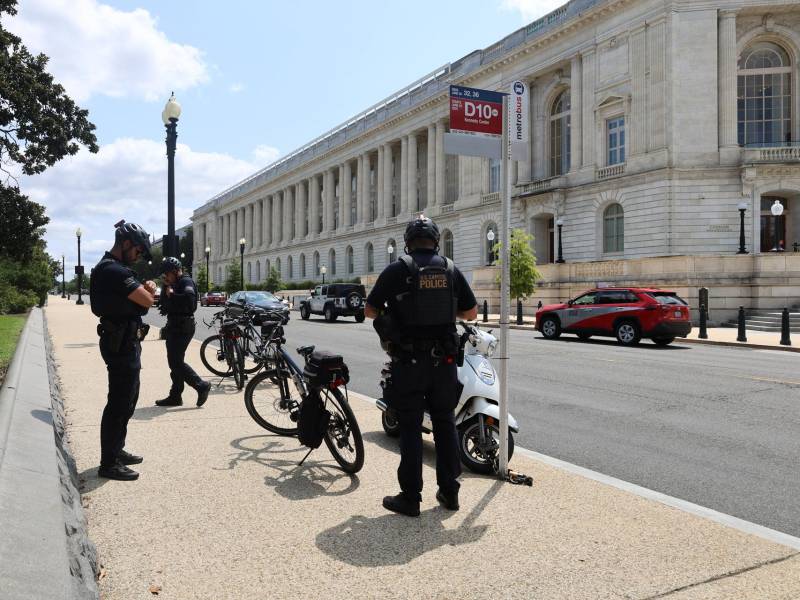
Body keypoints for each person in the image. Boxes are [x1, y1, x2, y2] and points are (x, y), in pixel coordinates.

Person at [365, 214, 478, 516]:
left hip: (409, 362)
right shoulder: (451, 270)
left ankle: (411, 497)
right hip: (444, 362)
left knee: (411, 428)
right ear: (436, 240)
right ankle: (450, 492)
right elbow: (471, 314)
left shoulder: (397, 270)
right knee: (445, 424)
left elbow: (370, 310)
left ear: (407, 241)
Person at [89, 220, 157, 481]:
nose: (139, 256)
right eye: (138, 250)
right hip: (120, 343)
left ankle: (116, 450)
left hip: (125, 340)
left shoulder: (115, 269)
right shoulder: (114, 270)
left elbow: (142, 301)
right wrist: (146, 295)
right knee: (118, 403)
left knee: (128, 399)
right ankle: (108, 463)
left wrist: (143, 299)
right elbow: (148, 300)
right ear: (126, 244)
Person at [155, 257, 211, 407]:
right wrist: (166, 289)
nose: (165, 277)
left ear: (174, 271)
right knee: (174, 362)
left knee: (176, 362)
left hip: (183, 327)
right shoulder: (173, 283)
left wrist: (172, 294)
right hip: (174, 326)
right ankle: (175, 396)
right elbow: (164, 304)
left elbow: (190, 301)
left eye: (166, 274)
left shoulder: (186, 282)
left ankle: (201, 385)